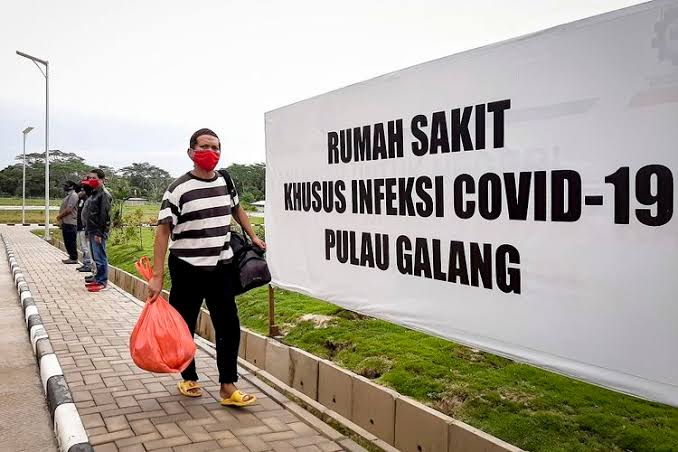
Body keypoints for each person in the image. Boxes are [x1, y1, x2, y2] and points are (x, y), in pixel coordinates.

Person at [148, 128, 265, 407]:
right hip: (186, 268)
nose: (211, 152)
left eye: (216, 147)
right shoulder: (178, 189)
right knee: (184, 325)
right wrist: (157, 275)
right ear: (191, 152)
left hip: (221, 266)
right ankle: (188, 377)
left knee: (228, 325)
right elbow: (162, 232)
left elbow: (237, 209)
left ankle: (228, 386)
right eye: (205, 147)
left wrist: (253, 235)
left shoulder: (225, 180)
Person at [83, 168, 112, 293]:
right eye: (89, 178)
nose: (91, 180)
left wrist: (100, 233)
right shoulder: (94, 193)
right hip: (91, 229)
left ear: (102, 179)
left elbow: (104, 216)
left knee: (100, 256)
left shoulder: (104, 194)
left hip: (97, 231)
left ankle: (102, 281)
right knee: (95, 256)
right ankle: (97, 277)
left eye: (94, 178)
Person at [56, 180, 80, 264]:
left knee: (71, 241)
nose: (64, 187)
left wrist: (60, 216)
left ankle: (74, 258)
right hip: (66, 222)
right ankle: (71, 257)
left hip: (71, 222)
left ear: (72, 186)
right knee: (67, 241)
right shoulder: (69, 195)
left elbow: (69, 209)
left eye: (66, 185)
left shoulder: (73, 195)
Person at [75, 183, 93, 273]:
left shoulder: (87, 200)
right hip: (79, 226)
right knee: (82, 246)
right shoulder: (81, 200)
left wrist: (85, 226)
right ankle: (85, 263)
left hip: (84, 227)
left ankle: (88, 264)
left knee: (85, 246)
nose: (79, 193)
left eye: (82, 191)